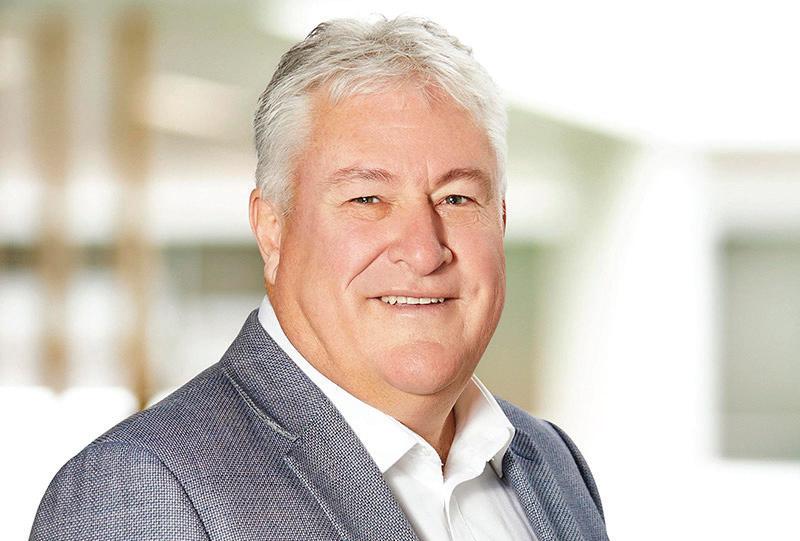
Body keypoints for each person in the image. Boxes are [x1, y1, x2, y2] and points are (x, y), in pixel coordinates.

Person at [31, 17, 609, 541]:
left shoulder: (551, 463)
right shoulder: (140, 489)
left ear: (500, 220)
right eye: (367, 198)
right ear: (273, 230)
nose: (423, 251)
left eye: (457, 198)